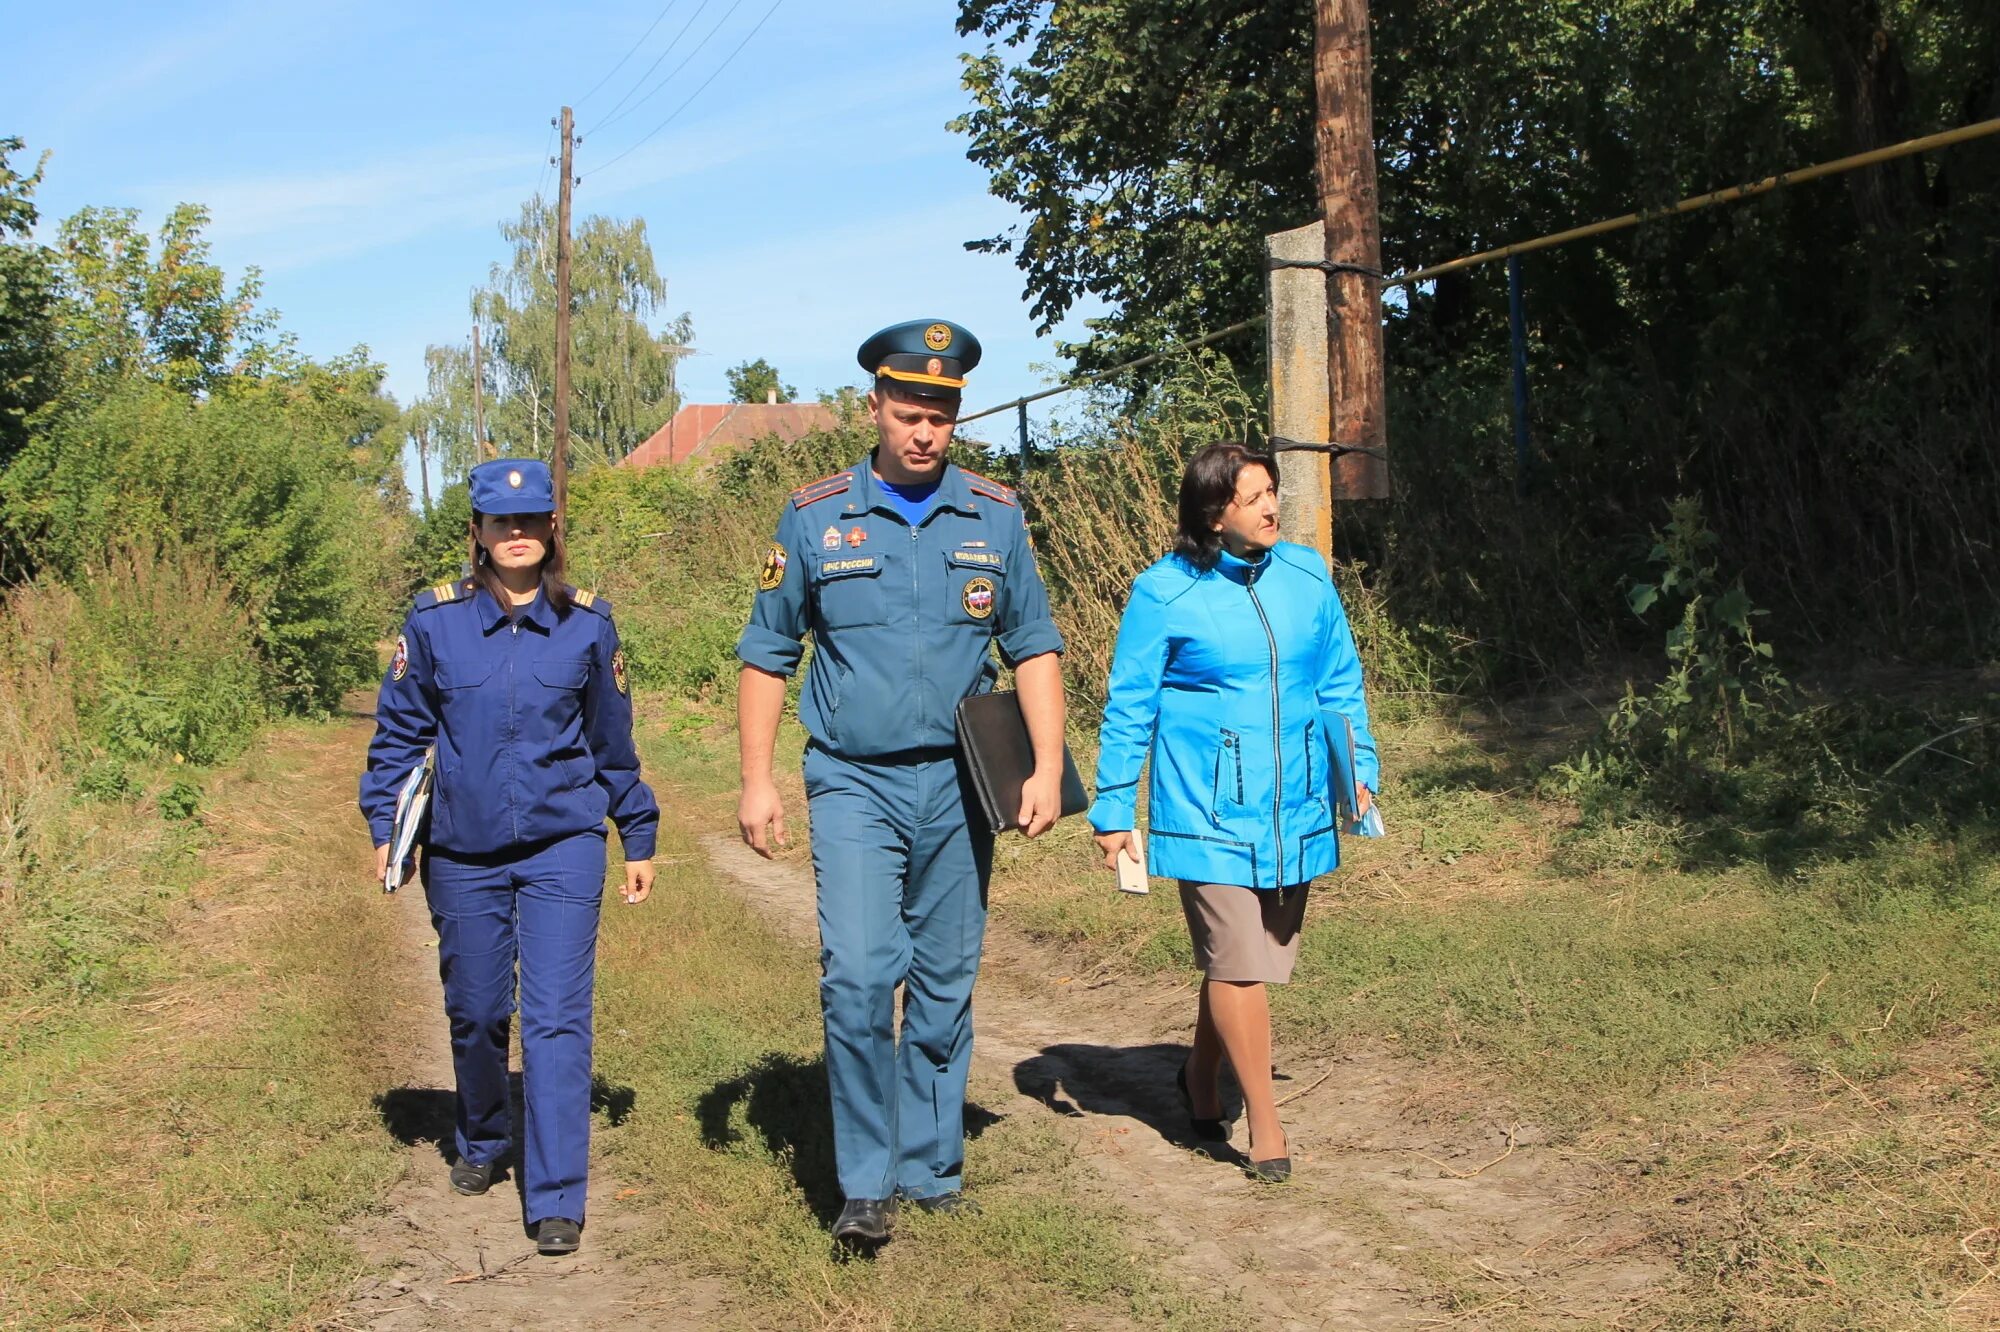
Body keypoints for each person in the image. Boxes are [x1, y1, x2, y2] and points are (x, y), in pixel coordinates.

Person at [735, 320, 1067, 1244]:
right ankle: (868, 1179)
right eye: (909, 413)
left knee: (945, 980)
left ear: (955, 419)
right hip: (852, 781)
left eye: (940, 416)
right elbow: (767, 654)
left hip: (962, 785)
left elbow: (1033, 645)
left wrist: (1044, 766)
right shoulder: (814, 517)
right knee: (859, 975)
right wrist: (757, 780)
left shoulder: (994, 517)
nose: (924, 431)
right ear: (874, 408)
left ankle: (931, 1165)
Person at [359, 458, 659, 1257]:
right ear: (478, 534)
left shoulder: (590, 627)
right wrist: (387, 826)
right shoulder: (433, 624)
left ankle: (557, 1194)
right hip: (464, 849)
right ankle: (485, 1137)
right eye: (501, 523)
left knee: (558, 1018)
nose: (517, 535)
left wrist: (638, 832)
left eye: (531, 523)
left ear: (551, 529)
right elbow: (396, 737)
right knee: (479, 1010)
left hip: (564, 844)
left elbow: (612, 745)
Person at [1088, 442, 1378, 1183]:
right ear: (1214, 515)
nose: (1273, 506)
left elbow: (1340, 681)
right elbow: (1130, 706)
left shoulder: (1309, 576)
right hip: (1205, 807)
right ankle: (1267, 1130)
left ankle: (1198, 1073)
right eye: (1255, 498)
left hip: (1296, 801)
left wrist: (1360, 773)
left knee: (1251, 955)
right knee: (1238, 961)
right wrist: (1115, 807)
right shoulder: (1164, 592)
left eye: (1272, 491)